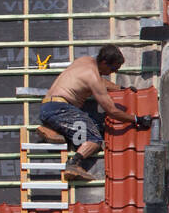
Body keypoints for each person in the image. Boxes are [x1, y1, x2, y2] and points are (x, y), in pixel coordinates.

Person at [38, 45, 151, 181]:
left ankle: (53, 130)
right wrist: (137, 119)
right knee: (94, 138)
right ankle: (73, 164)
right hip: (61, 109)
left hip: (48, 107)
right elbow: (112, 111)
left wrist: (121, 89)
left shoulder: (85, 61)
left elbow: (101, 82)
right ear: (104, 63)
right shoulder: (93, 77)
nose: (112, 72)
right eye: (112, 69)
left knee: (90, 123)